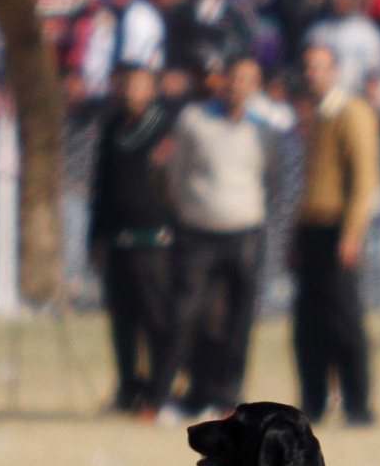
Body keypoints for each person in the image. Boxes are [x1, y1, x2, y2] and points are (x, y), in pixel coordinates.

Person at [165, 57, 269, 419]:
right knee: (187, 313)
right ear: (222, 80)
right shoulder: (194, 120)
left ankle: (229, 396)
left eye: (248, 79)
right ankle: (173, 391)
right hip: (199, 229)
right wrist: (190, 210)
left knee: (238, 318)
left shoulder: (264, 127)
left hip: (245, 230)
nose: (239, 85)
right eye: (234, 77)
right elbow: (176, 174)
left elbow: (274, 178)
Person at [292, 43, 380, 426]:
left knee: (344, 320)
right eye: (308, 68)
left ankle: (357, 404)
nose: (313, 75)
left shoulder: (351, 113)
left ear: (335, 71)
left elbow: (364, 180)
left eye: (320, 67)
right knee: (309, 323)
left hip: (337, 230)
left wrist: (352, 233)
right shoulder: (317, 117)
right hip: (312, 230)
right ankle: (313, 402)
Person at [88, 67, 178, 417]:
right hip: (117, 238)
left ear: (152, 89)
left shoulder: (166, 126)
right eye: (125, 84)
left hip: (155, 239)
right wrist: (95, 236)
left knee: (155, 317)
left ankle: (159, 389)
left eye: (138, 85)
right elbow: (102, 185)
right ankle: (128, 387)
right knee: (122, 320)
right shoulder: (112, 127)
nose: (130, 92)